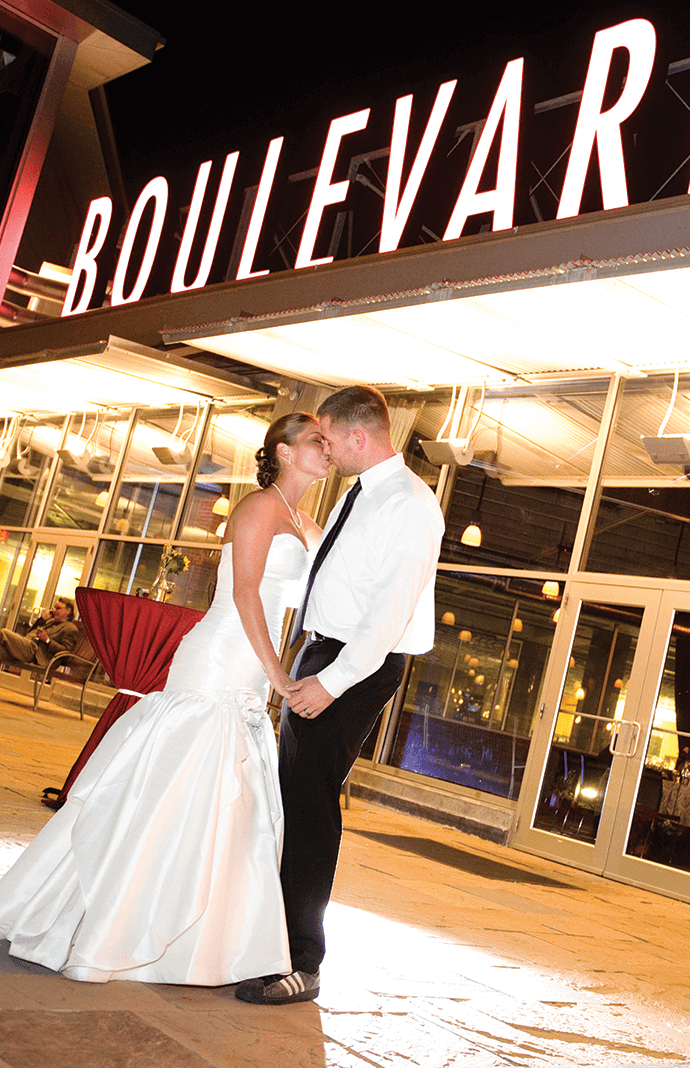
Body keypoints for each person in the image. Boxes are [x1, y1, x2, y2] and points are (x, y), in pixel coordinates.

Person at [0, 412, 331, 984]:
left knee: (229, 805)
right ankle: (111, 925)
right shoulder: (257, 507)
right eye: (315, 441)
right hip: (219, 657)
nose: (327, 450)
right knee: (174, 791)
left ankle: (208, 942)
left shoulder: (308, 520)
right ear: (282, 450)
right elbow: (245, 595)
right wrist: (279, 673)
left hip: (254, 670)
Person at [237, 385, 444, 1006]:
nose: (324, 448)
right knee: (295, 795)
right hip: (322, 651)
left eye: (328, 438)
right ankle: (271, 942)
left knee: (311, 807)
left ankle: (303, 963)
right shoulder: (361, 493)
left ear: (360, 437)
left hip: (355, 663)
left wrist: (329, 682)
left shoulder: (409, 502)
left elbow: (387, 617)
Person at [0, 597, 81, 699]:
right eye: (55, 607)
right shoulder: (51, 621)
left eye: (58, 608)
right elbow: (31, 632)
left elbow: (66, 652)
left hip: (36, 652)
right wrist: (41, 619)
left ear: (67, 611)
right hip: (27, 644)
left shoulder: (70, 628)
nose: (54, 611)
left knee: (3, 633)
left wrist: (47, 640)